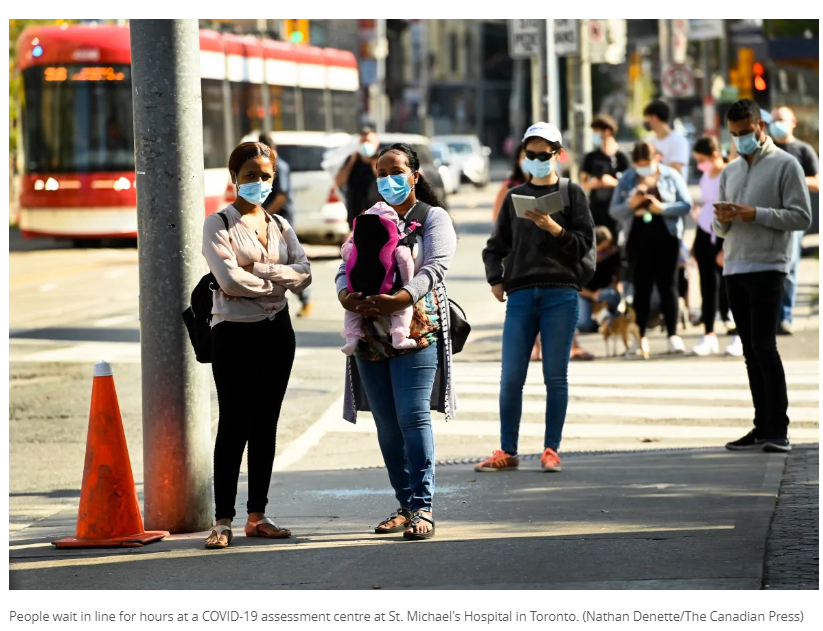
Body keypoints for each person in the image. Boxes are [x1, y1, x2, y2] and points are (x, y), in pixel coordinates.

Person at [335, 143, 457, 540]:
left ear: (414, 176)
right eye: (381, 173)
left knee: (412, 415)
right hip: (370, 332)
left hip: (417, 333)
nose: (388, 180)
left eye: (396, 171)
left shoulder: (433, 218)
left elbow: (435, 268)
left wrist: (401, 298)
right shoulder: (367, 219)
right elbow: (345, 266)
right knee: (387, 424)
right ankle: (405, 505)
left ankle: (424, 507)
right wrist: (345, 296)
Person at [202, 142, 312, 549]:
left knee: (266, 424)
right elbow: (228, 281)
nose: (259, 183)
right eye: (250, 175)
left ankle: (257, 515)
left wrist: (260, 272)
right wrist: (276, 283)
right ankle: (222, 520)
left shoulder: (281, 224)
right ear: (234, 178)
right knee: (234, 424)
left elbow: (304, 273)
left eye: (265, 176)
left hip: (276, 332)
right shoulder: (218, 224)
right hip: (233, 332)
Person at [479, 122, 595, 473]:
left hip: (561, 292)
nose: (537, 160)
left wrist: (554, 228)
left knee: (555, 376)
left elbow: (585, 244)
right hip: (520, 295)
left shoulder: (572, 193)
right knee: (511, 376)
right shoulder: (515, 196)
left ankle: (551, 449)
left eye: (544, 154)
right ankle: (507, 450)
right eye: (531, 154)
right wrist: (496, 279)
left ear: (558, 154)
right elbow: (494, 247)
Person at [715, 100, 810, 453]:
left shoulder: (787, 165)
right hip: (735, 266)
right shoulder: (731, 171)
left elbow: (801, 217)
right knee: (750, 351)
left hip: (770, 265)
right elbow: (719, 229)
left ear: (760, 127)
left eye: (745, 132)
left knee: (765, 347)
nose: (740, 139)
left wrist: (756, 213)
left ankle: (778, 429)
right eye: (734, 134)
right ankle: (761, 425)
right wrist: (723, 218)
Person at [609, 141, 692, 358]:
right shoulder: (627, 178)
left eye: (647, 163)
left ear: (657, 158)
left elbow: (686, 204)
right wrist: (631, 204)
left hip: (667, 237)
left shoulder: (670, 175)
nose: (643, 168)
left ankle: (673, 334)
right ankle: (640, 336)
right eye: (639, 164)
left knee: (668, 286)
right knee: (641, 289)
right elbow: (614, 211)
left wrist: (661, 208)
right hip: (637, 239)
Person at [769, 105, 820, 336]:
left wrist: (792, 177)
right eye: (774, 119)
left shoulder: (803, 149)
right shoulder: (765, 149)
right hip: (765, 215)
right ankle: (768, 316)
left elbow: (817, 182)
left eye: (781, 119)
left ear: (793, 122)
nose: (777, 123)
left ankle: (785, 316)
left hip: (792, 217)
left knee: (788, 268)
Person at [690, 136, 736, 356]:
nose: (700, 164)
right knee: (707, 285)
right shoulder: (706, 175)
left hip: (724, 234)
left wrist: (727, 246)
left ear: (716, 155)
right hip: (704, 231)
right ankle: (709, 333)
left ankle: (737, 332)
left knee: (730, 284)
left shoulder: (730, 174)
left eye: (702, 159)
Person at [259, 133, 314, 317]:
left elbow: (282, 197)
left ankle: (306, 299)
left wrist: (263, 214)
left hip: (280, 222)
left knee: (289, 263)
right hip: (268, 221)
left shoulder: (279, 167)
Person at [580, 114, 630, 236]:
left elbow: (630, 184)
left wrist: (613, 182)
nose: (594, 135)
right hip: (596, 208)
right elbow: (582, 184)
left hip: (616, 207)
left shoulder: (622, 157)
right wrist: (592, 184)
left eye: (596, 132)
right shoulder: (590, 157)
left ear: (607, 132)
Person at [578, 226, 622, 333]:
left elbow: (617, 280)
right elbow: (576, 286)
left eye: (608, 247)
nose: (605, 252)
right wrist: (592, 295)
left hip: (605, 293)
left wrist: (611, 289)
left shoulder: (613, 255)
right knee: (586, 325)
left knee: (609, 295)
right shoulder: (581, 258)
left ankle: (611, 318)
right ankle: (601, 319)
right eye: (602, 249)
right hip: (585, 295)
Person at [335, 125, 381, 229]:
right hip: (355, 213)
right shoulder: (352, 161)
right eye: (363, 142)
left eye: (368, 141)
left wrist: (374, 163)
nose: (365, 145)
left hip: (377, 214)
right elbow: (339, 182)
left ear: (376, 143)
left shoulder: (382, 160)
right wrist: (351, 162)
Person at [643, 100, 691, 182]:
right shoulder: (648, 142)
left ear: (654, 118)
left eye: (647, 119)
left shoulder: (679, 140)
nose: (645, 123)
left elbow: (675, 170)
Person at [492, 146, 528, 222]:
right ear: (518, 161)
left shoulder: (554, 186)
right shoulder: (509, 186)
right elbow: (497, 217)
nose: (531, 161)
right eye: (525, 157)